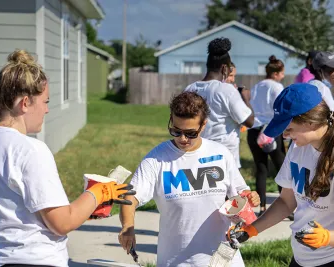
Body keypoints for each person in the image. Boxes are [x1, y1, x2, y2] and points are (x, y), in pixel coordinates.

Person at [0, 50, 135, 267]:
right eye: (45, 101)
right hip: (32, 261)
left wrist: (85, 210)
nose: (47, 110)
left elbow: (17, 215)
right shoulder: (30, 150)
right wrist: (99, 193)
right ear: (25, 103)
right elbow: (62, 223)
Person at [227, 83, 334, 267]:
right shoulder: (298, 147)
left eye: (288, 129)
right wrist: (251, 229)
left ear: (310, 121)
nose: (285, 136)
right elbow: (287, 202)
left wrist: (327, 237)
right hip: (303, 258)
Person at [118, 92, 260, 267]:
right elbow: (129, 197)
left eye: (191, 133)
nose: (183, 138)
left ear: (204, 126)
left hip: (224, 260)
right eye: (176, 131)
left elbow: (241, 194)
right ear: (171, 120)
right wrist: (127, 227)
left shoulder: (220, 153)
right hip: (177, 261)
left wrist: (250, 197)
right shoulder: (156, 159)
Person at [184, 37, 254, 169]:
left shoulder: (190, 89)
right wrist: (245, 98)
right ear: (224, 69)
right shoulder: (226, 90)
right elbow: (249, 121)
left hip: (196, 156)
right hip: (224, 159)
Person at [248, 55, 286, 216]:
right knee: (282, 170)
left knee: (261, 168)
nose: (283, 76)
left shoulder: (257, 86)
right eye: (283, 73)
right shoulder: (277, 87)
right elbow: (280, 110)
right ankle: (286, 207)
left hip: (255, 130)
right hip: (271, 130)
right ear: (276, 73)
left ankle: (262, 207)